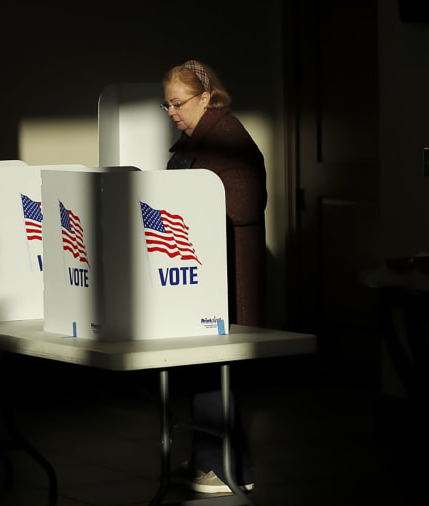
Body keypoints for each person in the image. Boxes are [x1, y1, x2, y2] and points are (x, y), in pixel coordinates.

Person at [162, 60, 267, 494]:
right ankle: (219, 463)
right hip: (201, 272)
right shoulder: (195, 142)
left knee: (212, 370)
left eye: (177, 103)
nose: (171, 112)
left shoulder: (229, 141)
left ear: (206, 97)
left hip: (224, 276)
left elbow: (243, 207)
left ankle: (221, 467)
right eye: (165, 105)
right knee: (201, 370)